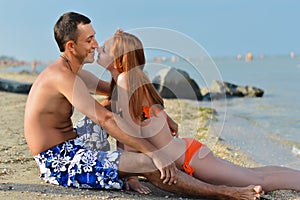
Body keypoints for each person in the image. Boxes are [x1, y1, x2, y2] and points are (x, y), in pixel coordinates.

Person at [24, 11, 264, 200]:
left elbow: (123, 91)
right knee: (150, 164)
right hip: (58, 161)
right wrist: (154, 152)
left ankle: (132, 163)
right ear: (70, 47)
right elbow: (105, 120)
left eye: (95, 37)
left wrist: (158, 111)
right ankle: (224, 193)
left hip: (72, 145)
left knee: (111, 104)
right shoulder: (61, 76)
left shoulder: (74, 72)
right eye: (89, 40)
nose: (96, 44)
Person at [96, 29, 300, 194]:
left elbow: (129, 133)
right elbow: (140, 122)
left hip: (191, 160)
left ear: (117, 61)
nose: (98, 49)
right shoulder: (130, 80)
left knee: (259, 179)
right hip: (189, 152)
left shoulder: (125, 82)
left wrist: (131, 176)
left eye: (104, 49)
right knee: (252, 173)